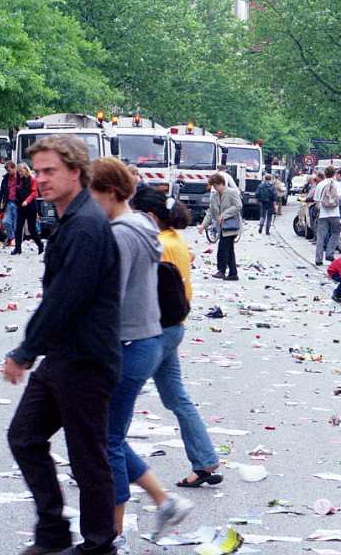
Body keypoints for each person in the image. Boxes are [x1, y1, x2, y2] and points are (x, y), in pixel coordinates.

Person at [4, 135, 122, 555]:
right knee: (24, 437)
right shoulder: (72, 219)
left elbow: (65, 297)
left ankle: (98, 543)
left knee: (87, 456)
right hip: (64, 357)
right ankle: (53, 530)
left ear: (76, 172)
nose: (41, 179)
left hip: (85, 360)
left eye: (50, 171)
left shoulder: (87, 225)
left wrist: (24, 350)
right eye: (37, 171)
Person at [89, 158, 193, 543]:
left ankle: (112, 532)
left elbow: (108, 298)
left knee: (107, 440)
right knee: (110, 435)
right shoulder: (142, 227)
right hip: (147, 339)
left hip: (130, 344)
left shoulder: (121, 233)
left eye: (91, 192)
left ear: (110, 192)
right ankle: (164, 501)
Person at [130, 188, 222, 489]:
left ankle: (102, 459)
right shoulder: (174, 240)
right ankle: (205, 461)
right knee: (175, 397)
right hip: (172, 327)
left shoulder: (158, 243)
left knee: (119, 395)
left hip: (157, 329)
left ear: (151, 216)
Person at [199, 173, 242, 280]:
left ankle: (221, 270)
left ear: (222, 183)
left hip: (231, 227)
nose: (215, 188)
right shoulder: (214, 196)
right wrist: (203, 226)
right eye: (213, 186)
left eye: (216, 186)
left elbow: (238, 206)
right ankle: (233, 273)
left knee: (223, 249)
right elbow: (210, 213)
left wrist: (224, 214)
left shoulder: (231, 193)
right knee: (229, 250)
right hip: (222, 227)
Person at [12, 163, 44, 255]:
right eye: (18, 172)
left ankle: (40, 245)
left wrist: (26, 201)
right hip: (21, 207)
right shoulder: (19, 179)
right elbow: (16, 191)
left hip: (31, 207)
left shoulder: (32, 179)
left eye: (21, 171)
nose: (20, 173)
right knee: (18, 228)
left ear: (26, 170)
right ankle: (17, 249)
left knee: (32, 229)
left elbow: (34, 193)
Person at [312, 166, 341, 266]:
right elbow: (339, 198)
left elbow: (316, 199)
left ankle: (318, 259)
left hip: (323, 214)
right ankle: (329, 253)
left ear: (325, 174)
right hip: (335, 213)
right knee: (335, 234)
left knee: (321, 237)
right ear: (334, 173)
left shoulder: (320, 184)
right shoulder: (337, 184)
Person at [0, 160, 20, 247]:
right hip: (8, 202)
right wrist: (1, 201)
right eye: (7, 170)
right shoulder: (6, 178)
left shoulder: (20, 178)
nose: (8, 172)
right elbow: (2, 191)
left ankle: (15, 240)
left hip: (17, 203)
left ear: (14, 168)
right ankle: (12, 238)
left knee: (16, 224)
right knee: (6, 222)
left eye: (9, 170)